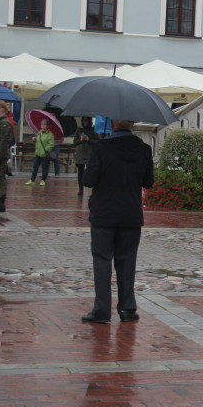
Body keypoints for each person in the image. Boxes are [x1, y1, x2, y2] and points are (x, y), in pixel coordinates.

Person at [81, 118, 154, 324]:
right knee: (127, 262)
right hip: (130, 213)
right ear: (132, 124)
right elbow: (148, 182)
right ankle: (128, 308)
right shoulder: (144, 149)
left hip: (104, 213)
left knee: (102, 261)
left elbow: (88, 180)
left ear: (112, 124)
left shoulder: (102, 147)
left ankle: (102, 310)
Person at [73, 116, 100, 196]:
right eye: (84, 120)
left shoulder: (93, 130)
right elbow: (75, 141)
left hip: (89, 154)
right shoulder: (79, 130)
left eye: (86, 120)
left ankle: (92, 188)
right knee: (80, 172)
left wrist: (89, 140)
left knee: (91, 171)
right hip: (80, 153)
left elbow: (97, 141)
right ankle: (81, 189)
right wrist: (80, 139)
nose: (85, 122)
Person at [26, 121, 55, 187]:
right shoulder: (39, 133)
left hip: (45, 154)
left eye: (44, 125)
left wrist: (45, 150)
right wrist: (34, 141)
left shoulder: (50, 134)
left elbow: (51, 144)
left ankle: (43, 180)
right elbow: (37, 143)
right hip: (38, 153)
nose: (42, 126)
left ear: (47, 126)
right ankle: (32, 180)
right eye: (42, 124)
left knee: (44, 168)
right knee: (35, 167)